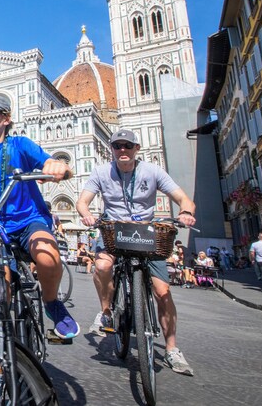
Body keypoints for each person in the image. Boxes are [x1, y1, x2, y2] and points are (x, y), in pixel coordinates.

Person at [77, 128, 197, 376]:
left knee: (163, 292)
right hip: (113, 231)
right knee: (102, 266)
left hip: (147, 234)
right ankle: (106, 312)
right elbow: (83, 201)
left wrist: (185, 212)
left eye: (127, 146)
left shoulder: (152, 171)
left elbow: (183, 199)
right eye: (117, 146)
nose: (122, 150)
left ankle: (172, 349)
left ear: (136, 149)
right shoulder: (101, 172)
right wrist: (86, 214)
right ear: (111, 149)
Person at [0, 92, 79, 339]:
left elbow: (54, 165)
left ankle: (51, 302)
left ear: (6, 118)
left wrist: (57, 167)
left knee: (47, 257)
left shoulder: (20, 145)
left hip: (29, 219)